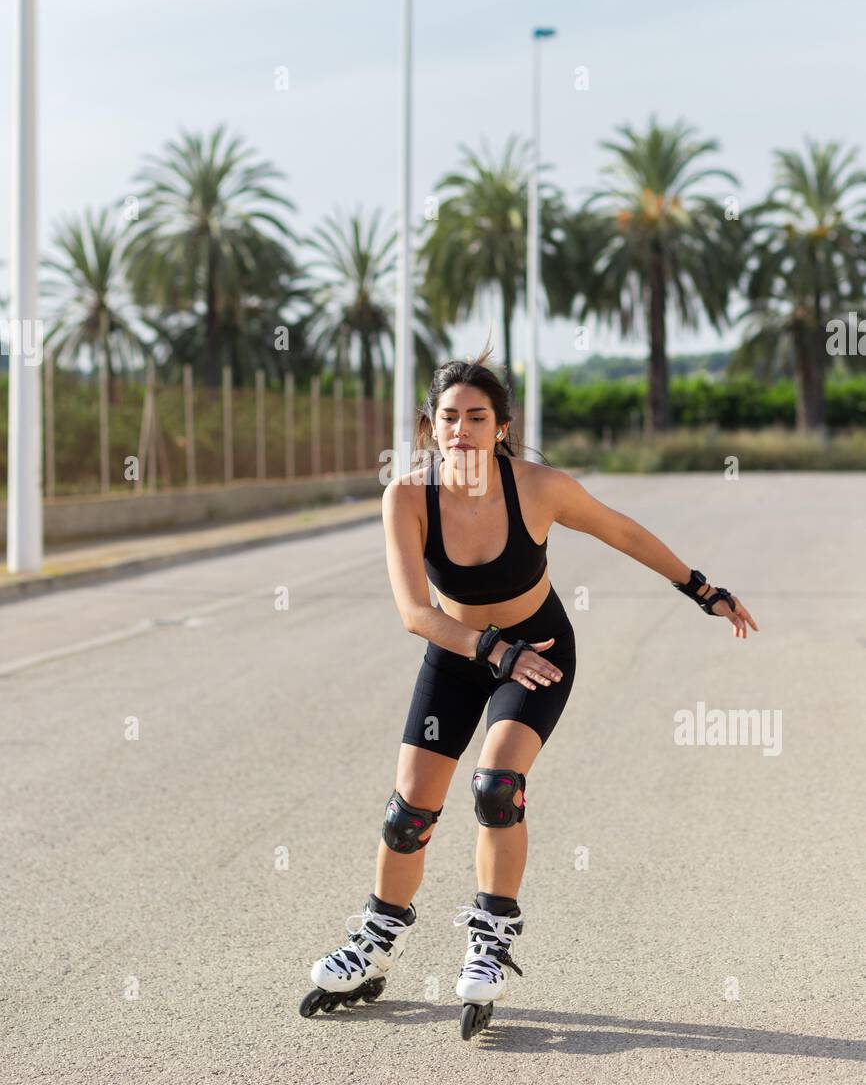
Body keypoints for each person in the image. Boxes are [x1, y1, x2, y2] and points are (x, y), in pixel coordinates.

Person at [305, 344, 758, 1012]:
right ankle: (374, 940)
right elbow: (413, 613)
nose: (462, 429)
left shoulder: (538, 488)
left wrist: (700, 588)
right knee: (408, 813)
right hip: (459, 654)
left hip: (540, 653)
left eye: (478, 416)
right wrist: (490, 651)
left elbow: (620, 532)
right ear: (431, 425)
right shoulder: (407, 497)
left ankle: (489, 938)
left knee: (497, 787)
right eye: (450, 417)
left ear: (501, 428)